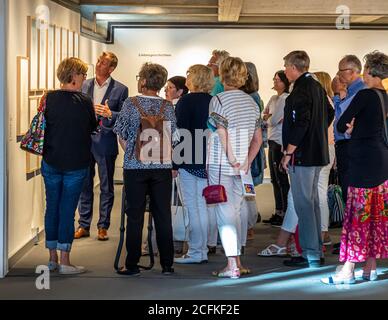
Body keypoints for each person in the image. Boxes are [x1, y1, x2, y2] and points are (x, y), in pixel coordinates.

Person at [321, 51, 388, 285]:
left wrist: (351, 129)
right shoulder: (384, 96)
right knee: (375, 215)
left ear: (368, 70)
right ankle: (370, 267)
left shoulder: (365, 95)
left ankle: (348, 269)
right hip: (381, 160)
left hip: (362, 160)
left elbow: (340, 124)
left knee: (357, 214)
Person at [113, 62, 178, 276]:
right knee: (163, 214)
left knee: (135, 216)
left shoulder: (130, 104)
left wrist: (132, 150)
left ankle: (132, 264)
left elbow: (121, 134)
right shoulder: (168, 106)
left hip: (135, 167)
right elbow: (175, 137)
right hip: (162, 167)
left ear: (142, 81)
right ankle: (167, 264)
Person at [208, 57, 262, 278]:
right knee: (237, 211)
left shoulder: (218, 100)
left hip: (221, 162)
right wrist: (246, 160)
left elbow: (221, 132)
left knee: (224, 212)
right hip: (243, 166)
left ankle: (232, 265)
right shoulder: (252, 102)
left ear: (223, 74)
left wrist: (231, 157)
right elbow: (258, 139)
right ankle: (237, 260)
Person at [42, 57, 97, 274]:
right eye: (82, 74)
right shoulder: (83, 101)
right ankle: (65, 260)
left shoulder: (48, 98)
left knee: (52, 207)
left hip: (51, 160)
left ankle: (52, 258)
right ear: (73, 76)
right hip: (75, 163)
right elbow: (92, 127)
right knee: (66, 210)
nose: (85, 78)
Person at [281, 51, 334, 268]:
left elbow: (302, 122)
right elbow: (330, 112)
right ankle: (314, 250)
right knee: (311, 203)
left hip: (303, 155)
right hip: (317, 152)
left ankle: (311, 253)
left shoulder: (302, 89)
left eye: (285, 66)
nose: (284, 71)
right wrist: (317, 132)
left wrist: (289, 152)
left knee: (304, 204)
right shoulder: (317, 86)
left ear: (294, 67)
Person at [75, 52, 128, 241]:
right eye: (98, 61)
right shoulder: (84, 84)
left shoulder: (121, 89)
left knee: (106, 186)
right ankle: (84, 225)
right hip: (83, 141)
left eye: (103, 63)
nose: (98, 65)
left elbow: (123, 116)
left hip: (105, 142)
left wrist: (109, 113)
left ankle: (103, 226)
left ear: (111, 68)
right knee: (84, 184)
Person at [173, 64, 214, 264]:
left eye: (189, 74)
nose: (187, 77)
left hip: (189, 158)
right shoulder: (214, 100)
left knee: (192, 206)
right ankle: (202, 248)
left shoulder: (185, 101)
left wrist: (174, 163)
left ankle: (197, 251)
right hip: (209, 159)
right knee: (203, 206)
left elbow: (179, 133)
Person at [239, 62, 265, 246]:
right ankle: (247, 226)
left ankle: (248, 226)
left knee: (246, 189)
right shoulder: (252, 97)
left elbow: (254, 132)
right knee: (246, 189)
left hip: (248, 149)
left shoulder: (252, 98)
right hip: (247, 148)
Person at [334, 55, 366, 203]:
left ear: (353, 71)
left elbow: (341, 119)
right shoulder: (352, 91)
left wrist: (336, 94)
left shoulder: (359, 91)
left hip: (350, 144)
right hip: (348, 144)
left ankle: (352, 224)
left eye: (342, 71)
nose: (338, 75)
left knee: (350, 187)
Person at [262, 70, 290, 227]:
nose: (274, 81)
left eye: (277, 79)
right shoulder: (273, 98)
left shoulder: (285, 98)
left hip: (280, 141)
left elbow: (272, 120)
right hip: (272, 140)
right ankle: (278, 210)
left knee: (281, 178)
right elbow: (264, 116)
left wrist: (269, 118)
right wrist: (268, 118)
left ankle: (285, 211)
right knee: (274, 178)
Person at [314, 71, 336, 245]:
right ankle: (323, 232)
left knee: (319, 192)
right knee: (320, 191)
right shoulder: (330, 101)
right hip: (329, 148)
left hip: (323, 148)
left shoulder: (323, 102)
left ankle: (322, 232)